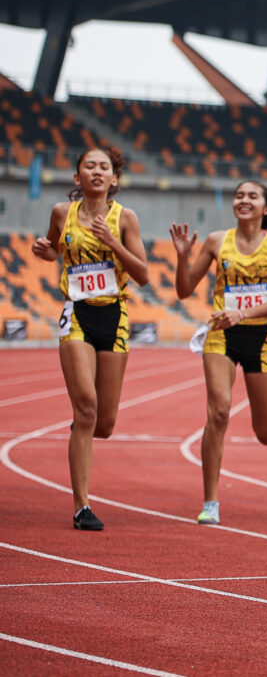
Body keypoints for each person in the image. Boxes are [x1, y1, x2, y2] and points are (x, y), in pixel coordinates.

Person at [170, 181, 267, 525]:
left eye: (252, 196)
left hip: (260, 338)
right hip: (221, 335)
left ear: (266, 208)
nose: (244, 200)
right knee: (219, 412)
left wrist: (243, 313)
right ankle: (210, 502)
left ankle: (266, 421)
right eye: (239, 195)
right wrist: (183, 256)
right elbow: (185, 291)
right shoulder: (217, 241)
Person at [31, 147, 150, 531]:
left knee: (105, 422)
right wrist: (44, 251)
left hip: (113, 316)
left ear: (114, 179)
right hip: (76, 314)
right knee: (86, 409)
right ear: (77, 177)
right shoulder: (61, 214)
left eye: (105, 168)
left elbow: (143, 273)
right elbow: (53, 250)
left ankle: (82, 428)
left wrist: (113, 242)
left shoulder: (125, 217)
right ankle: (82, 506)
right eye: (89, 166)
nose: (97, 172)